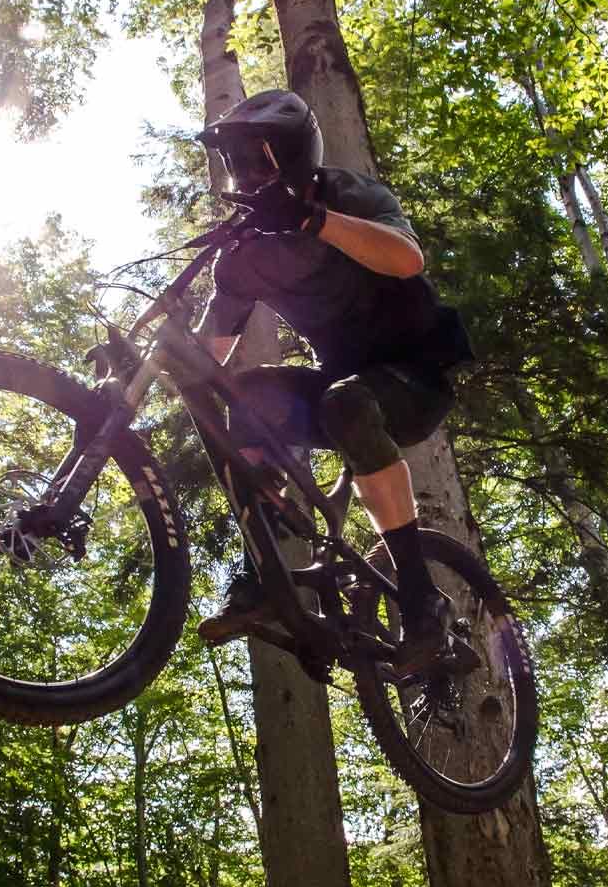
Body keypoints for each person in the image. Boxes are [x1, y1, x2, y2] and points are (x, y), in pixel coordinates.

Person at [192, 89, 473, 669]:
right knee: (246, 396)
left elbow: (406, 260)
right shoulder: (244, 256)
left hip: (414, 376)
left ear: (294, 153)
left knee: (347, 404)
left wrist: (311, 218)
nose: (245, 174)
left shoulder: (347, 193)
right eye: (235, 161)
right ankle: (263, 575)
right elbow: (209, 355)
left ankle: (422, 600)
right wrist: (147, 360)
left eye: (258, 157)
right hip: (342, 383)